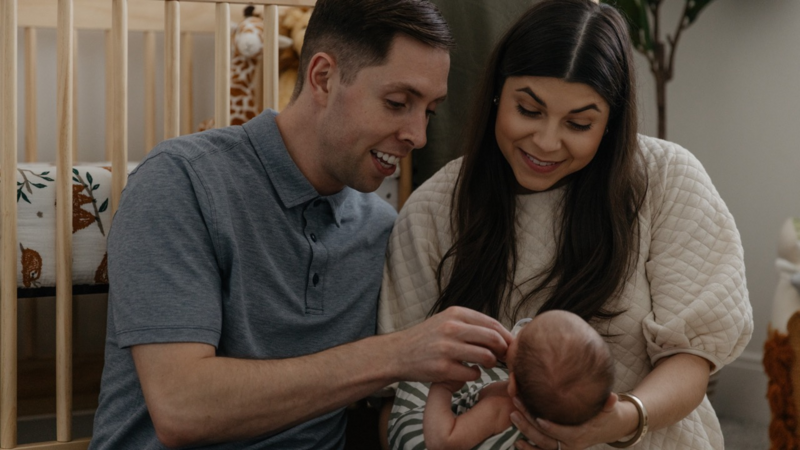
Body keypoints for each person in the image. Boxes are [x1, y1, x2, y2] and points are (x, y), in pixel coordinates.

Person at [89, 1, 514, 449]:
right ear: (323, 78)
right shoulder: (182, 180)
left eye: (428, 111)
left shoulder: (380, 230)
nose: (418, 135)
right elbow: (181, 407)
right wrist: (397, 354)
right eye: (397, 103)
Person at [377, 0, 753, 449]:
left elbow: (692, 357)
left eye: (578, 123)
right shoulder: (434, 209)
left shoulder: (666, 178)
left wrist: (620, 420)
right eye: (529, 111)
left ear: (610, 124)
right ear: (498, 93)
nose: (546, 141)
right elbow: (397, 397)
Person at [416, 311, 615, 450]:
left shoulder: (500, 408)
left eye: (522, 334)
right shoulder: (567, 421)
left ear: (513, 386)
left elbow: (442, 442)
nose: (519, 328)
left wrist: (442, 387)